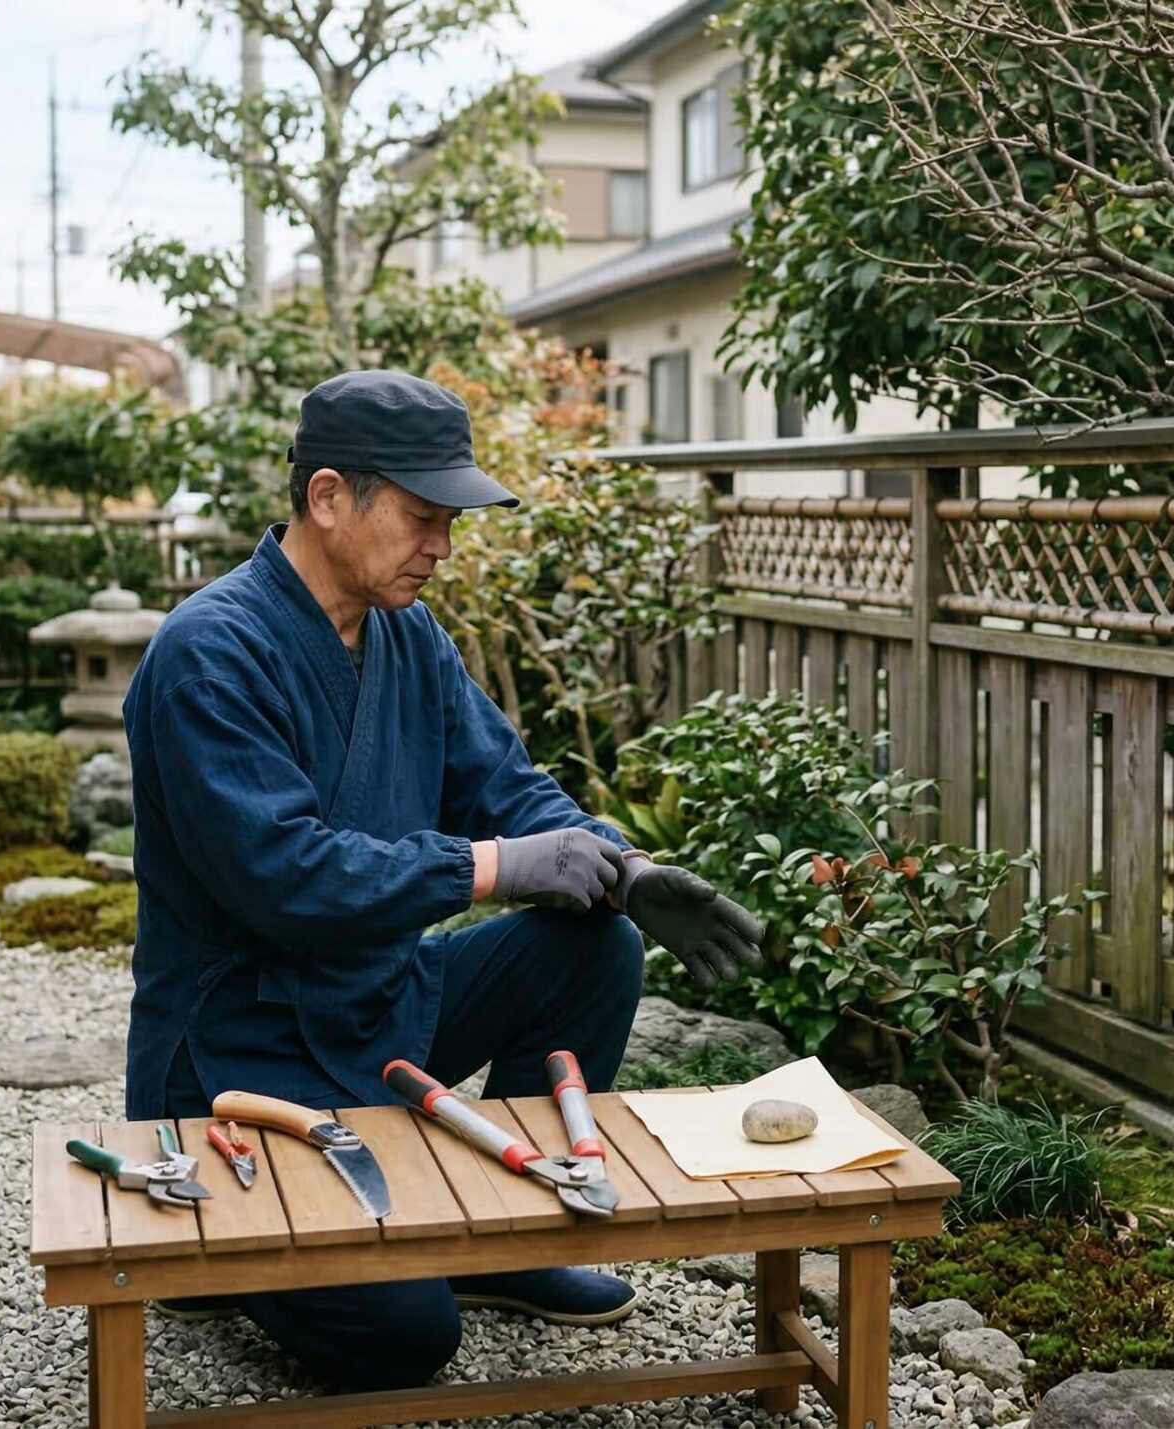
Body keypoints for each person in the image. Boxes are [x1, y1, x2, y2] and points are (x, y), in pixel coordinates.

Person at [121, 369, 765, 1390]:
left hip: (379, 1012)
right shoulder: (210, 651)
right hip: (240, 1058)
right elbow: (283, 874)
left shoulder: (406, 634)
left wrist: (625, 869)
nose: (444, 547)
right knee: (406, 1336)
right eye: (423, 517)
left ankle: (513, 1241)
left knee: (594, 944)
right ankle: (223, 1256)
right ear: (329, 497)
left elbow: (505, 787)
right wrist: (496, 867)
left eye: (449, 520)